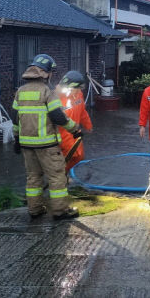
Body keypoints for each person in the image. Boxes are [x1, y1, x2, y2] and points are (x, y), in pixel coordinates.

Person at [13, 54, 81, 220]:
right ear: (47, 73)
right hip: (47, 146)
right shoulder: (47, 92)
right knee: (57, 177)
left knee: (33, 177)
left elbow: (15, 117)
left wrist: (16, 139)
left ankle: (35, 209)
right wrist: (74, 129)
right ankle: (60, 211)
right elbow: (58, 117)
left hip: (27, 145)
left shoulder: (20, 92)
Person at [57, 71, 93, 172]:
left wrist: (88, 125)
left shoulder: (78, 95)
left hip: (76, 135)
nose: (78, 91)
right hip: (62, 138)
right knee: (64, 161)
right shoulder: (56, 98)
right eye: (77, 89)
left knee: (79, 157)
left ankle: (71, 178)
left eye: (79, 89)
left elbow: (82, 112)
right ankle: (64, 179)